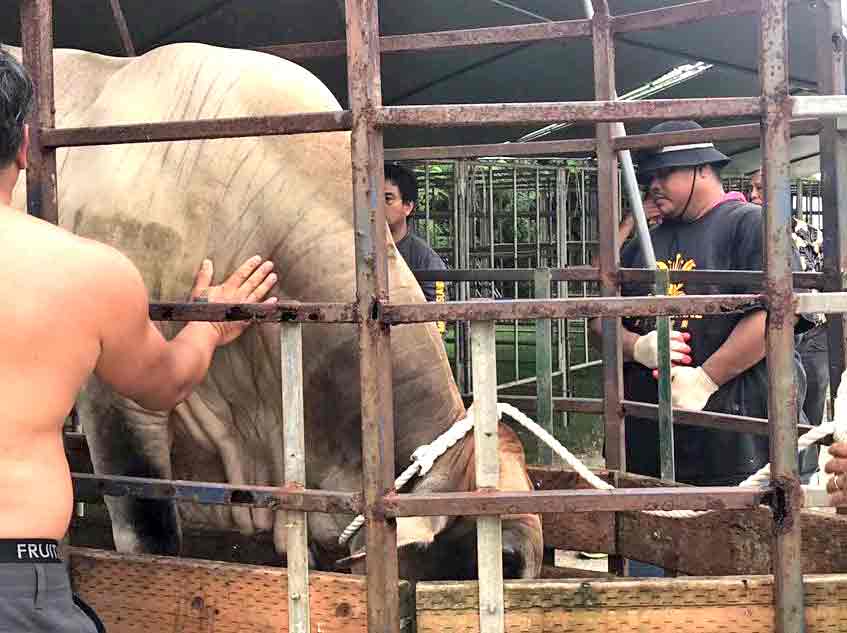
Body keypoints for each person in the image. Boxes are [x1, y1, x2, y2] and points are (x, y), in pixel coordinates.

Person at [0, 49, 277, 631]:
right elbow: (163, 384)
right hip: (17, 585)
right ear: (25, 146)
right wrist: (207, 326)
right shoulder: (87, 274)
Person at [590, 119, 813, 489]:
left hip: (738, 444)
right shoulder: (644, 242)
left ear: (703, 168)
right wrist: (636, 346)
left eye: (665, 173)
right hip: (650, 445)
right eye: (649, 176)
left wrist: (706, 378)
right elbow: (601, 322)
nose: (654, 184)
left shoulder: (751, 225)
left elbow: (776, 316)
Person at [750, 169, 830, 428]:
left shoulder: (810, 234)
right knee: (780, 402)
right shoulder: (749, 236)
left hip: (813, 330)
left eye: (760, 188)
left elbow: (830, 279)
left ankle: (808, 447)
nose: (753, 195)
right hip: (771, 328)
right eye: (751, 188)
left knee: (813, 400)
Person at [384, 163, 447, 302]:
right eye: (373, 199)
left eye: (387, 199)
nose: (378, 206)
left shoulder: (426, 259)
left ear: (408, 206)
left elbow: (437, 310)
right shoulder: (359, 251)